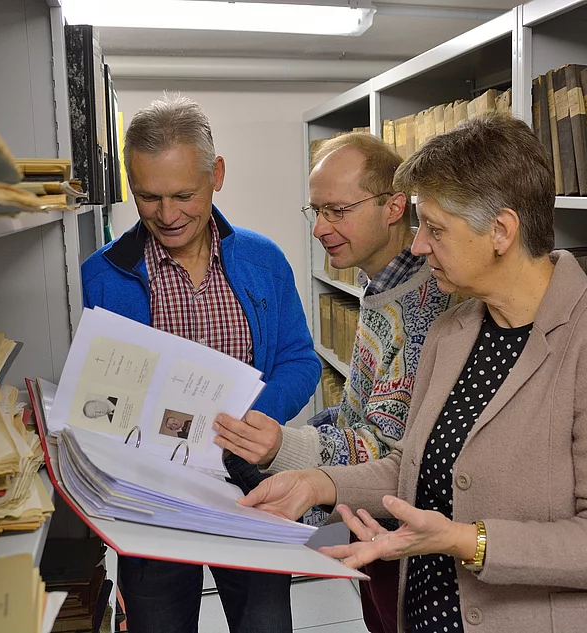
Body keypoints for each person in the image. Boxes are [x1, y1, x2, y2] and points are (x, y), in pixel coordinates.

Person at [239, 115, 587, 633]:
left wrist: (463, 540)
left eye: (435, 228)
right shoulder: (455, 329)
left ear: (501, 232)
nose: (418, 246)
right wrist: (317, 484)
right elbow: (413, 466)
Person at [81, 94, 321, 633]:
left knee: (265, 624)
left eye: (184, 195)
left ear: (217, 175)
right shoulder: (99, 278)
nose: (167, 216)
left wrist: (255, 419)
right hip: (150, 498)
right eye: (148, 197)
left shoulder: (263, 261)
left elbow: (299, 359)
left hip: (250, 484)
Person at [211, 132, 455, 633]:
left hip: (404, 544)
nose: (320, 228)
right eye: (316, 211)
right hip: (371, 530)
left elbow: (390, 451)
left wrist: (285, 447)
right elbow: (362, 411)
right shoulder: (382, 285)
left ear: (394, 207)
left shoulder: (427, 310)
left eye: (337, 211)